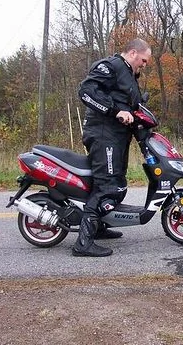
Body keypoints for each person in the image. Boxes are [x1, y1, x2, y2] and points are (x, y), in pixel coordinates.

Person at [73, 38, 152, 257]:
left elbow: (129, 105)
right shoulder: (111, 66)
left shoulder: (129, 74)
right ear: (133, 53)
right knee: (106, 186)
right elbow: (86, 91)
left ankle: (98, 227)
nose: (145, 65)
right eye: (144, 60)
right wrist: (115, 111)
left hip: (116, 137)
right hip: (103, 135)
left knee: (117, 184)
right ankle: (83, 243)